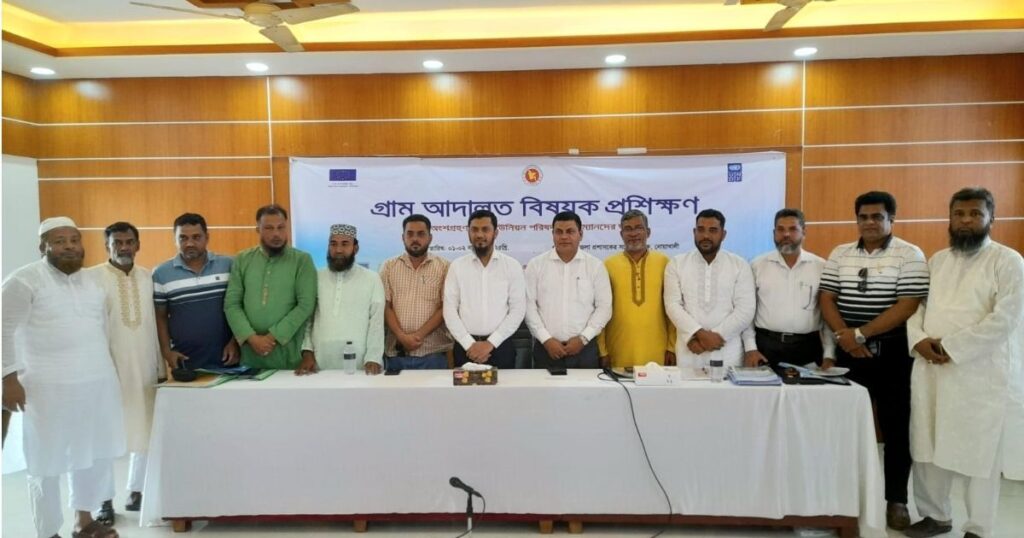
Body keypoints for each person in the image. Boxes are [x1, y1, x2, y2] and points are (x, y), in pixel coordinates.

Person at [903, 188, 1024, 538]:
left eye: (975, 214)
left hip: (978, 373)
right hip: (930, 369)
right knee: (926, 445)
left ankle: (979, 527)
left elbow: (1005, 319)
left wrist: (952, 348)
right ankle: (935, 516)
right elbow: (918, 308)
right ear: (950, 217)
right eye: (959, 214)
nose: (966, 220)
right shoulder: (937, 260)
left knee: (980, 453)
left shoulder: (1008, 261)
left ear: (991, 218)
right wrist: (918, 340)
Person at [2, 217, 124, 538]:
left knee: (92, 454)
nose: (69, 246)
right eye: (59, 241)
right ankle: (47, 531)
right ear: (43, 247)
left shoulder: (93, 282)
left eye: (74, 240)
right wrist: (7, 378)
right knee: (46, 461)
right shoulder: (24, 280)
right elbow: (2, 330)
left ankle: (84, 520)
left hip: (95, 385)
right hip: (45, 389)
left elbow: (101, 331)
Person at [819, 191, 929, 531]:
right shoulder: (840, 253)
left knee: (896, 430)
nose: (869, 223)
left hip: (893, 356)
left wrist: (861, 334)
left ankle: (896, 501)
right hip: (849, 355)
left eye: (877, 217)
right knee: (845, 429)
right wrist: (847, 339)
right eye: (863, 217)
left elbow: (908, 304)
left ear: (891, 219)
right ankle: (845, 498)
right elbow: (827, 298)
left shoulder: (910, 254)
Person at [88, 222, 161, 520]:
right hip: (108, 368)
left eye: (129, 241)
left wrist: (160, 366)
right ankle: (103, 500)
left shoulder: (148, 277)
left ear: (138, 244)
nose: (123, 247)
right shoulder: (91, 279)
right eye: (116, 242)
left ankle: (137, 490)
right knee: (104, 435)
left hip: (145, 365)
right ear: (107, 246)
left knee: (145, 428)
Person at [224, 204, 317, 370]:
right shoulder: (242, 260)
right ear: (258, 229)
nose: (276, 234)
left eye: (281, 227)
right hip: (250, 354)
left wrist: (272, 337)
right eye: (269, 228)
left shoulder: (302, 260)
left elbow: (306, 305)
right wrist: (251, 338)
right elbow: (232, 304)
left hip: (289, 354)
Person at [742, 209, 834, 367]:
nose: (786, 234)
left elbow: (828, 315)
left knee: (809, 385)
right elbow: (747, 312)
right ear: (774, 233)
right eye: (780, 229)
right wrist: (750, 348)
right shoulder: (757, 265)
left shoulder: (821, 267)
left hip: (808, 347)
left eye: (792, 229)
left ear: (804, 232)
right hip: (765, 347)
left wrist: (829, 355)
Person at [664, 209, 755, 369]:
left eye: (713, 230)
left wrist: (716, 336)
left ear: (723, 234)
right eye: (701, 230)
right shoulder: (677, 263)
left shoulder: (739, 265)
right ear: (694, 232)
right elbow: (672, 305)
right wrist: (697, 334)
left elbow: (745, 310)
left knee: (728, 386)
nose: (705, 235)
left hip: (727, 351)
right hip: (690, 349)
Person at [525, 211, 612, 369]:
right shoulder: (536, 265)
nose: (564, 237)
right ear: (552, 235)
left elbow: (604, 308)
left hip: (584, 350)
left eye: (570, 231)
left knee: (586, 387)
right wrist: (546, 339)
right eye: (559, 232)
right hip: (546, 349)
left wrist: (583, 339)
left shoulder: (595, 266)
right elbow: (528, 306)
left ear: (581, 234)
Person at [153, 213, 238, 372]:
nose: (190, 243)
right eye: (183, 238)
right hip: (185, 360)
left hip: (228, 357)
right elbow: (160, 316)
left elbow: (241, 308)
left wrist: (236, 342)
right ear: (175, 239)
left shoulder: (228, 265)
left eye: (196, 237)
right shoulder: (161, 273)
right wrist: (166, 352)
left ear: (207, 237)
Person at [443, 209, 526, 369]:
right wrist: (469, 344)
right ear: (468, 233)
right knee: (465, 387)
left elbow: (518, 310)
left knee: (504, 387)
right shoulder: (457, 266)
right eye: (474, 229)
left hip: (501, 347)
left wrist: (490, 343)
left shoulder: (512, 266)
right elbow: (450, 310)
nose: (479, 234)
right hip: (465, 348)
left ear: (495, 233)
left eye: (485, 229)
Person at [297, 224, 385, 375]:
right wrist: (307, 351)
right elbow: (308, 320)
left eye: (345, 244)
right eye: (333, 244)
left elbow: (376, 322)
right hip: (320, 363)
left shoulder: (372, 278)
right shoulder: (316, 277)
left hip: (361, 365)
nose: (338, 250)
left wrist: (373, 358)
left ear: (355, 248)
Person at [597, 210, 676, 369]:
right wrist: (602, 350)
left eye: (639, 228)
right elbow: (601, 310)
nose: (633, 233)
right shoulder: (608, 265)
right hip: (618, 349)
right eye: (628, 229)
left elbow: (673, 308)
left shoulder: (664, 263)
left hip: (658, 350)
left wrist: (672, 347)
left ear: (648, 232)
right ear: (621, 234)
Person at [379, 214, 452, 371]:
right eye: (410, 234)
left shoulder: (444, 267)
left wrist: (417, 336)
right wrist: (402, 336)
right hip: (397, 354)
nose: (415, 239)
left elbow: (445, 307)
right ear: (403, 237)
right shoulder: (389, 266)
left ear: (430, 238)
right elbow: (386, 306)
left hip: (433, 354)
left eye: (421, 234)